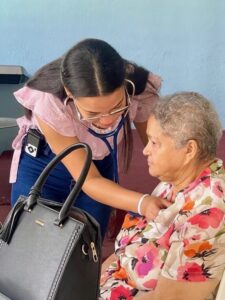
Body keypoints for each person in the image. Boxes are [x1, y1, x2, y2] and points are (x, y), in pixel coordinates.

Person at [10, 38, 170, 237]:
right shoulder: (49, 101)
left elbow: (161, 149)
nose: (107, 121)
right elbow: (89, 180)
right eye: (93, 112)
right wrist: (142, 203)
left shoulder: (139, 88)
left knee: (87, 246)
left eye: (116, 106)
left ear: (124, 84)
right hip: (44, 166)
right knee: (31, 242)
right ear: (70, 92)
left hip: (99, 163)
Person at [100, 91, 225, 300]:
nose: (145, 150)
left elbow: (168, 298)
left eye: (154, 142)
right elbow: (124, 253)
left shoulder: (208, 211)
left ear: (189, 150)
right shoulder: (172, 183)